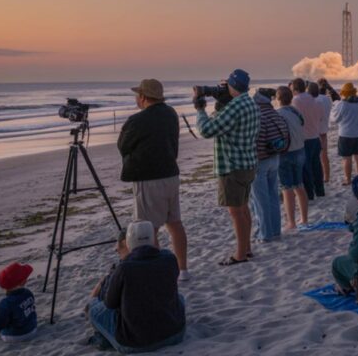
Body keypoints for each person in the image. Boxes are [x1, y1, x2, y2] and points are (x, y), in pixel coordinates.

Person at [117, 78, 189, 280]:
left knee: (148, 229)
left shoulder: (138, 120)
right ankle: (183, 269)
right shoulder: (170, 113)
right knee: (175, 223)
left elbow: (123, 145)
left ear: (142, 97)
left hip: (149, 178)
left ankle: (154, 274)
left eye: (137, 95)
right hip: (170, 174)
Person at [88, 221, 185, 353]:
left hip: (135, 344)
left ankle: (103, 338)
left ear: (128, 243)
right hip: (176, 334)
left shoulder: (124, 268)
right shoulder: (169, 258)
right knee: (179, 298)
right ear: (153, 238)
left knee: (93, 307)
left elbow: (110, 304)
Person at [194, 69, 259, 266]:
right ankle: (246, 248)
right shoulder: (250, 102)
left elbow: (207, 130)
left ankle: (240, 254)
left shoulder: (236, 106)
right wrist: (221, 105)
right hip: (247, 162)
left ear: (232, 85)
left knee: (236, 212)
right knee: (243, 208)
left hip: (232, 164)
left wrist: (200, 109)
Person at [250, 89, 290, 243]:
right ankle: (275, 230)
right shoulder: (275, 114)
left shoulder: (258, 116)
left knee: (260, 200)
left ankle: (265, 234)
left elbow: (255, 139)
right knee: (273, 196)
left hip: (261, 161)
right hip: (275, 158)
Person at [275, 86, 310, 230]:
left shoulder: (277, 114)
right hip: (300, 149)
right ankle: (304, 219)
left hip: (286, 152)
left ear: (278, 99)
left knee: (287, 188)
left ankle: (291, 222)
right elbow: (302, 124)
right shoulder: (296, 112)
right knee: (299, 185)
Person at [291, 78, 326, 200]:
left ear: (295, 89)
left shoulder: (296, 100)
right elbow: (321, 117)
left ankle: (310, 193)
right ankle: (320, 190)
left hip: (304, 139)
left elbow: (294, 119)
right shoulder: (317, 101)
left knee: (306, 168)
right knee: (316, 165)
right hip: (315, 137)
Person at [0, 262, 37, 343]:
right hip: (32, 330)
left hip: (14, 336)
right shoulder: (28, 293)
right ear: (23, 282)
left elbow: (0, 323)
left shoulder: (6, 302)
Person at [331, 82, 358, 185]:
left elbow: (335, 119)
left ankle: (348, 179)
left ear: (344, 93)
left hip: (345, 134)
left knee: (347, 158)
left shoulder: (342, 104)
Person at [315, 79, 335, 183]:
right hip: (324, 129)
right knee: (324, 155)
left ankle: (319, 177)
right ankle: (326, 177)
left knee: (315, 157)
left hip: (315, 131)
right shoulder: (328, 99)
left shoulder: (316, 99)